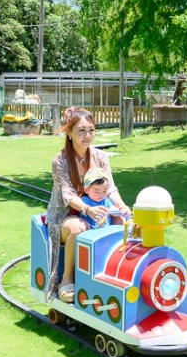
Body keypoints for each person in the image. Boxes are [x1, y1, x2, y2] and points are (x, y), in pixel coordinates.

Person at [45, 107, 131, 303]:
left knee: (125, 221)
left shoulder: (101, 157)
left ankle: (118, 273)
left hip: (99, 209)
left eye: (91, 130)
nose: (87, 136)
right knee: (79, 228)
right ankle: (67, 278)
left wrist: (123, 207)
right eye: (81, 131)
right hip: (67, 214)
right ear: (69, 132)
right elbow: (67, 195)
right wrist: (87, 209)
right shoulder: (60, 160)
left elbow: (110, 188)